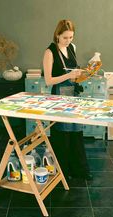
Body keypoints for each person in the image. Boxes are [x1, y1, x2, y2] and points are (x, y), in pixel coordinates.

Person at [43, 19, 92, 180]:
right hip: (58, 95)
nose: (68, 41)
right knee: (62, 133)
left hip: (73, 94)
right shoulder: (49, 52)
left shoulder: (72, 48)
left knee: (76, 132)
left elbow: (74, 71)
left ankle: (79, 170)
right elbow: (49, 80)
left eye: (71, 37)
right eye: (65, 38)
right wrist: (69, 75)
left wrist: (83, 73)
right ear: (57, 35)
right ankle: (62, 172)